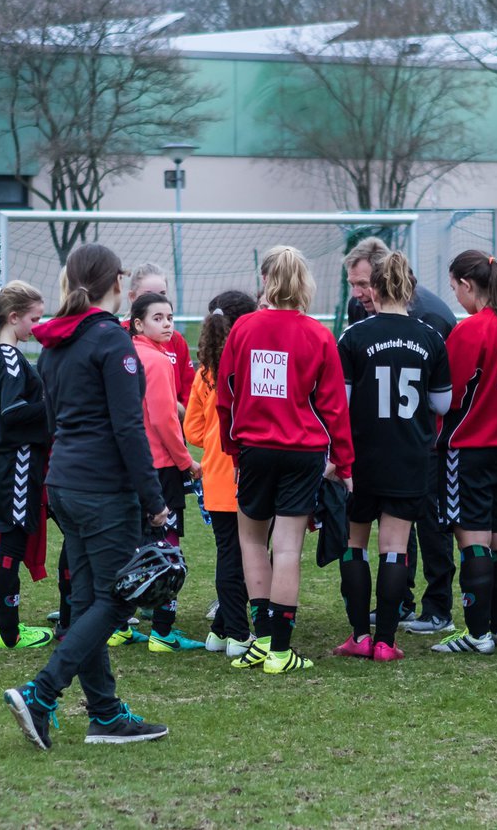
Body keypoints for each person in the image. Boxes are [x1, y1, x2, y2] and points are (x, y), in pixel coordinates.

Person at [3, 244, 169, 750]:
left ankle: (105, 714)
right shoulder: (109, 342)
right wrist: (155, 499)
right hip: (102, 490)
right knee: (118, 603)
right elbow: (128, 429)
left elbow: (54, 421)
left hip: (66, 485)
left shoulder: (54, 342)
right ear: (117, 282)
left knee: (90, 601)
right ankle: (42, 692)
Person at [216, 245, 353, 674]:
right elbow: (334, 407)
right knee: (288, 546)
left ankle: (260, 641)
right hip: (303, 450)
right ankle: (279, 650)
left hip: (256, 449)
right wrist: (344, 463)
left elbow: (227, 397)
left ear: (266, 281)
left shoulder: (243, 330)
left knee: (252, 541)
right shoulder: (317, 334)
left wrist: (234, 449)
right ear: (303, 283)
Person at [334, 249, 452, 661]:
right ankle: (386, 641)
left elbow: (341, 401)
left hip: (363, 457)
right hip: (410, 457)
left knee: (355, 544)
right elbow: (442, 403)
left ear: (376, 288)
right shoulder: (430, 337)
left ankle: (359, 635)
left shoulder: (354, 336)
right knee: (395, 548)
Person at [431, 252, 497, 655]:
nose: (455, 296)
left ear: (468, 285)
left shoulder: (473, 331)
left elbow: (449, 397)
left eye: (455, 287)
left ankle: (477, 635)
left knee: (472, 538)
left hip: (468, 447)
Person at [0, 280, 54, 650]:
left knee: (11, 542)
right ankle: (10, 632)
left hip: (10, 463)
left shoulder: (5, 355)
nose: (38, 326)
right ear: (13, 317)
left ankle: (8, 628)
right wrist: (53, 407)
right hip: (16, 462)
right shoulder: (8, 357)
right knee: (12, 545)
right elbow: (12, 412)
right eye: (35, 319)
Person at [126, 292, 205, 652]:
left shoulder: (127, 355)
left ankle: (119, 624)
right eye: (158, 318)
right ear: (138, 323)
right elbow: (163, 419)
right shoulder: (156, 362)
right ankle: (162, 630)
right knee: (166, 546)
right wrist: (186, 460)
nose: (168, 323)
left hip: (131, 464)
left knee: (133, 543)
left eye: (170, 317)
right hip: (160, 466)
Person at [183, 290, 259, 658]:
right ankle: (239, 634)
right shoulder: (247, 368)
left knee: (230, 550)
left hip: (214, 474)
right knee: (244, 554)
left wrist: (213, 440)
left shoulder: (205, 374)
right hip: (242, 471)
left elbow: (192, 430)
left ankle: (219, 630)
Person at [128, 263, 194, 411]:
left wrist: (183, 414)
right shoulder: (121, 335)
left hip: (175, 423)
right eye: (148, 294)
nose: (156, 300)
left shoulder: (176, 340)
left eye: (162, 294)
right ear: (132, 297)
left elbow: (190, 388)